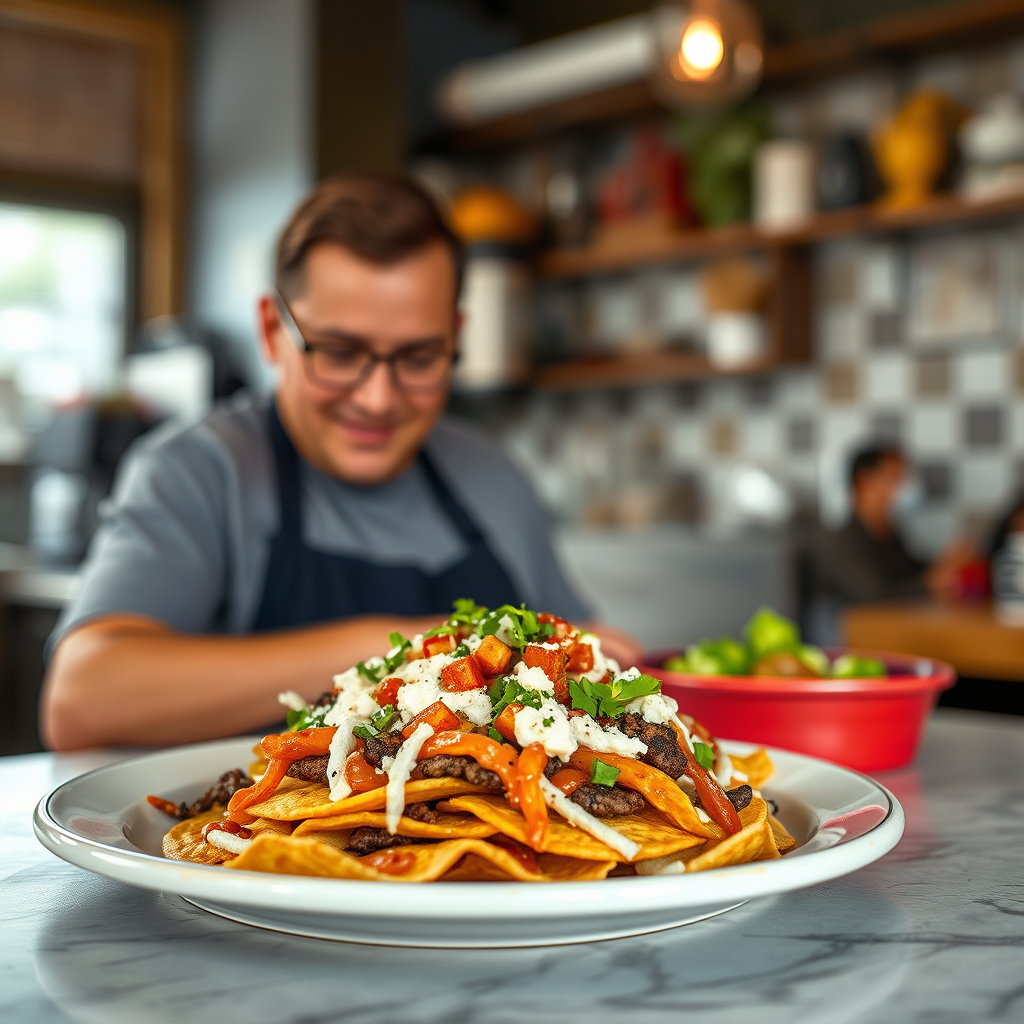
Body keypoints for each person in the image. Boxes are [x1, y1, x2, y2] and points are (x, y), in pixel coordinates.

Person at [41, 172, 639, 750]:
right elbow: (81, 698)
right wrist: (416, 645)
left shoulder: (493, 478)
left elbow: (585, 673)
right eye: (339, 351)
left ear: (456, 336)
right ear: (274, 330)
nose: (377, 398)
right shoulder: (198, 472)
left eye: (420, 357)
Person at [813, 443, 973, 605]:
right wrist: (930, 583)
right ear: (865, 482)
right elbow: (874, 596)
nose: (907, 487)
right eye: (896, 477)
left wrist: (945, 563)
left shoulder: (888, 533)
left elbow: (911, 571)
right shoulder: (844, 541)